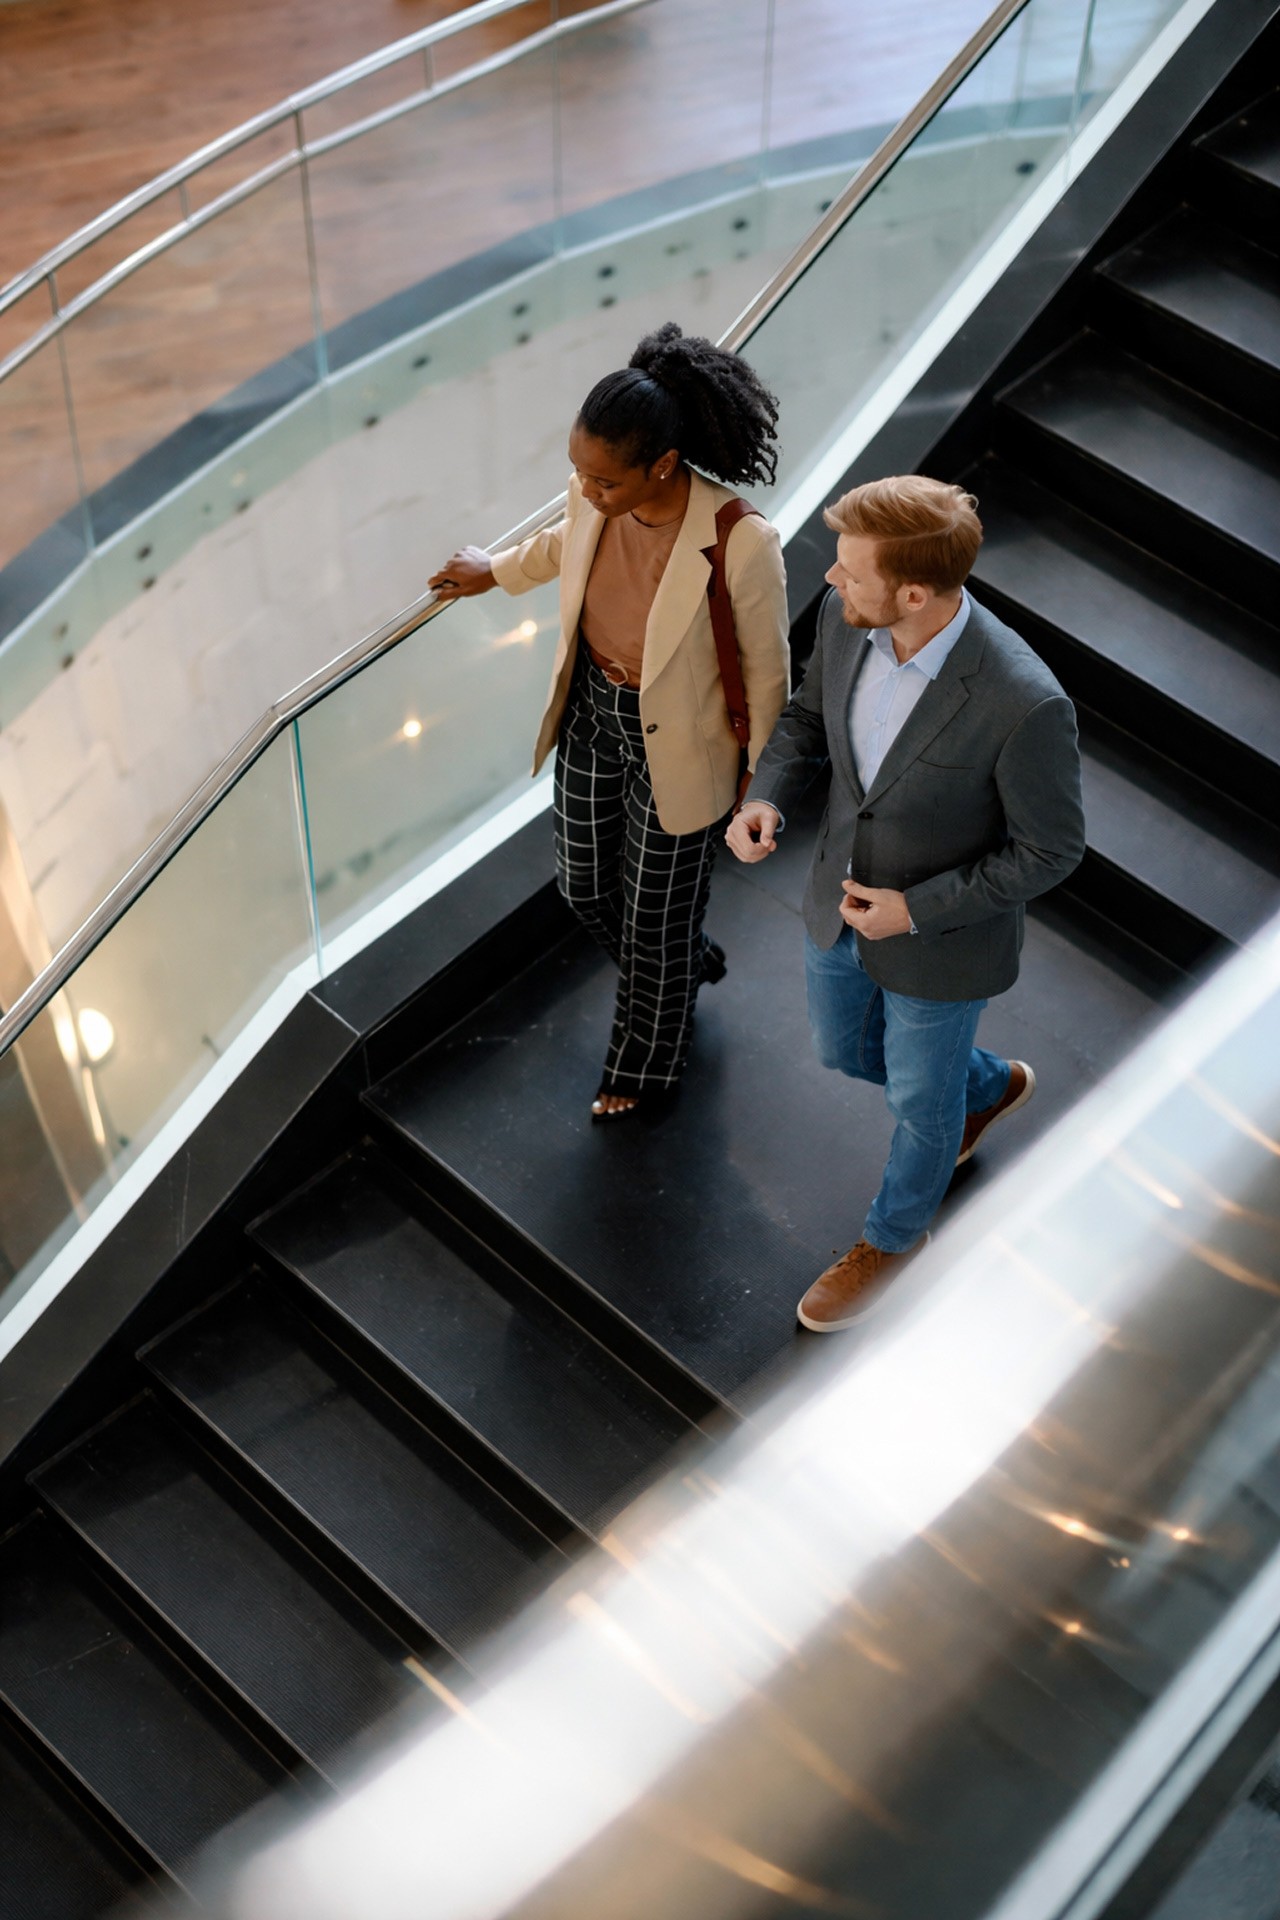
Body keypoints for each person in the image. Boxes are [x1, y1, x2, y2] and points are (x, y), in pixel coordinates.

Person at [727, 475, 1085, 1329]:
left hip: (940, 943)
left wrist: (915, 910)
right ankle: (989, 1085)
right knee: (845, 1051)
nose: (830, 581)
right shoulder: (849, 624)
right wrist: (765, 795)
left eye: (851, 571)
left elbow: (1052, 849)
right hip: (836, 901)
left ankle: (894, 1239)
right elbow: (809, 719)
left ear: (914, 592)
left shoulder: (1024, 701)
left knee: (920, 1109)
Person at [430, 323, 790, 1119]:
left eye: (604, 481)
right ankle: (683, 963)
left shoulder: (740, 540)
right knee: (584, 885)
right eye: (580, 474)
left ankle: (643, 1065)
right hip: (595, 713)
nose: (587, 491)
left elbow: (768, 672)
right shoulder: (591, 498)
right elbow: (569, 541)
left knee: (653, 922)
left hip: (684, 748)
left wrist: (764, 786)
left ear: (661, 465)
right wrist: (496, 572)